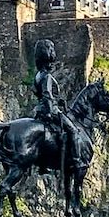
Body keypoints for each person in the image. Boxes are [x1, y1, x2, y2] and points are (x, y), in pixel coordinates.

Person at [31, 39, 79, 172]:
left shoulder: (38, 75)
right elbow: (47, 95)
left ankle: (43, 164)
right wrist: (51, 109)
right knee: (73, 131)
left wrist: (60, 101)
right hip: (50, 110)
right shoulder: (46, 76)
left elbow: (38, 92)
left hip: (39, 109)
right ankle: (76, 161)